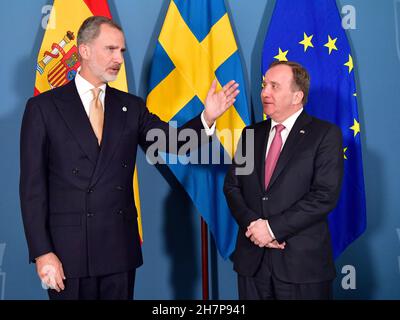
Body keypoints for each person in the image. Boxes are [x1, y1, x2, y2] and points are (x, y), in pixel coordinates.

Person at [19, 16, 239, 300]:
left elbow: (176, 143)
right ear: (84, 51)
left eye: (121, 51)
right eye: (110, 49)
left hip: (118, 251)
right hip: (66, 253)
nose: (118, 58)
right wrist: (42, 252)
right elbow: (32, 190)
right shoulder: (43, 108)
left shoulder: (131, 107)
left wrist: (207, 117)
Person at [224, 61, 343, 300]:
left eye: (274, 86)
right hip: (252, 263)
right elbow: (232, 187)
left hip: (301, 265)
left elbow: (324, 195)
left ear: (297, 96)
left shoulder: (325, 135)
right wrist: (255, 228)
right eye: (264, 85)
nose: (264, 92)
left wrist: (271, 229)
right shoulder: (250, 134)